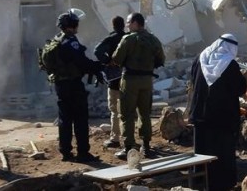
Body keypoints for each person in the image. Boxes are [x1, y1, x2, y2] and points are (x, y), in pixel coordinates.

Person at [188, 34, 247, 191]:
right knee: (223, 152)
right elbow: (241, 88)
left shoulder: (200, 58)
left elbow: (193, 80)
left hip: (200, 114)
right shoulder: (229, 64)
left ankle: (199, 182)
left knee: (201, 150)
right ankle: (222, 184)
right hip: (223, 117)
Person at [52, 9, 104, 163]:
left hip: (60, 84)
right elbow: (81, 61)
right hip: (73, 85)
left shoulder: (58, 39)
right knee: (80, 119)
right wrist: (97, 67)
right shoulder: (71, 41)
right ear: (71, 25)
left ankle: (66, 152)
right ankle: (83, 153)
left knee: (64, 119)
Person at [111, 12, 165, 159]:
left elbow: (116, 59)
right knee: (145, 113)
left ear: (135, 23)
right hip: (147, 80)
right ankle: (146, 146)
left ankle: (129, 148)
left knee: (127, 114)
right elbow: (161, 59)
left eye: (129, 22)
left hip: (130, 80)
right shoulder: (153, 39)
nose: (127, 25)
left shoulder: (127, 39)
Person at [93, 15, 127, 149]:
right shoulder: (128, 38)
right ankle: (128, 138)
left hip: (114, 79)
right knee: (127, 110)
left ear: (113, 25)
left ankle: (115, 139)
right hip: (129, 78)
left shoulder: (110, 39)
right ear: (123, 25)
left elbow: (97, 51)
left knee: (114, 110)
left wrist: (108, 61)